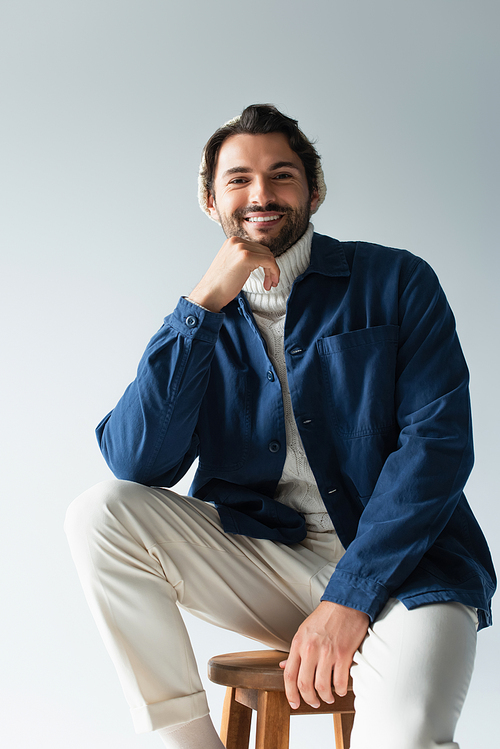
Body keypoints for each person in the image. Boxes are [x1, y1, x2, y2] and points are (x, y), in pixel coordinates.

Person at [65, 104, 496, 749]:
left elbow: (437, 447)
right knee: (100, 514)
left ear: (314, 190)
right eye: (238, 179)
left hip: (410, 568)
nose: (261, 194)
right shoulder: (202, 322)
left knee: (407, 737)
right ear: (210, 201)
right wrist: (201, 306)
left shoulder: (397, 281)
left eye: (281, 175)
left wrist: (349, 600)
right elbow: (137, 464)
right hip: (272, 565)